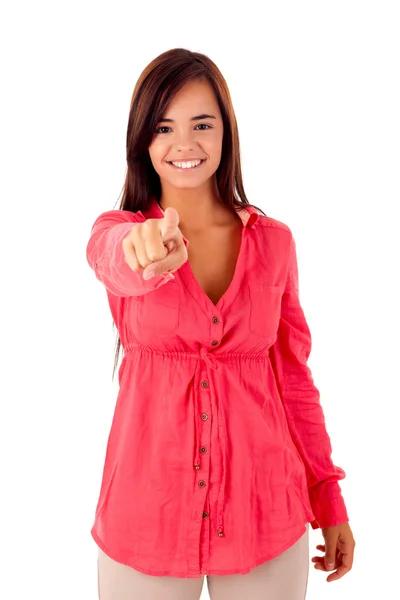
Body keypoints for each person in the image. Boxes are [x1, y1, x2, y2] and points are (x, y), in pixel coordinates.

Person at [86, 48, 355, 600]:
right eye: (163, 127)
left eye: (201, 124)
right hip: (146, 517)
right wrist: (140, 252)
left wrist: (328, 498)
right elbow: (112, 258)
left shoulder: (274, 241)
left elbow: (293, 381)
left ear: (226, 133)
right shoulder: (120, 231)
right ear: (143, 141)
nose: (184, 144)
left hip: (266, 514)